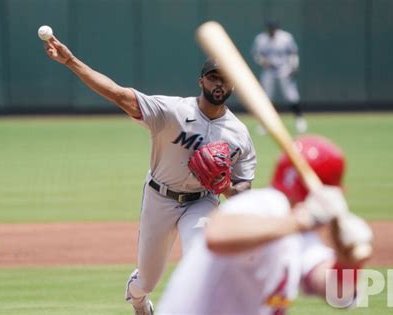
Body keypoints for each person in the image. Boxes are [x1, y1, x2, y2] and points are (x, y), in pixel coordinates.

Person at [43, 36, 257, 314]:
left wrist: (225, 185)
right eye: (213, 77)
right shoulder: (172, 111)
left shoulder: (238, 133)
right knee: (147, 279)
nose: (219, 83)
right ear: (201, 81)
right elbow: (118, 94)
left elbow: (243, 192)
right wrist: (71, 61)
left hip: (201, 202)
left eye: (225, 78)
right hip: (160, 198)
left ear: (233, 84)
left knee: (201, 261)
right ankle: (138, 298)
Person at [158, 135, 373, 315]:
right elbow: (217, 235)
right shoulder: (264, 204)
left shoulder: (301, 236)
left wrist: (348, 263)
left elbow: (337, 294)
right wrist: (301, 221)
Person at [252, 21, 307, 134]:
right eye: (270, 29)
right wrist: (262, 61)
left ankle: (299, 120)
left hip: (284, 69)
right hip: (268, 71)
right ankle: (265, 124)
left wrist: (294, 66)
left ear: (277, 29)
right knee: (266, 98)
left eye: (273, 29)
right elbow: (256, 54)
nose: (271, 31)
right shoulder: (261, 39)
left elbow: (293, 53)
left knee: (291, 95)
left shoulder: (285, 37)